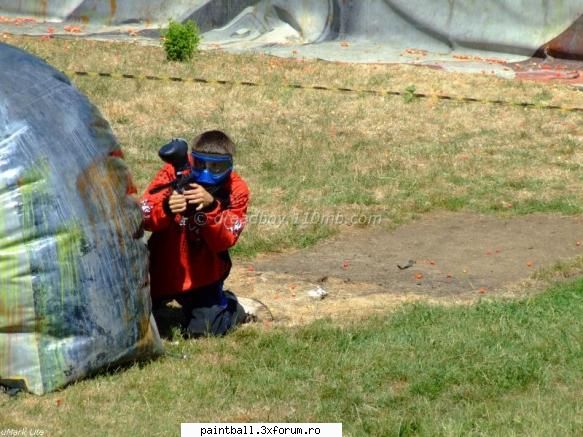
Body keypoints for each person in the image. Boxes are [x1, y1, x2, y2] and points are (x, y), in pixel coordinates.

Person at [141, 130, 250, 337]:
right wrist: (165, 206)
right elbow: (143, 214)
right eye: (200, 164)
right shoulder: (174, 172)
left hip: (203, 276)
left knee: (205, 330)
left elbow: (225, 239)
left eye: (217, 167)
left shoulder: (236, 189)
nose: (207, 173)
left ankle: (232, 307)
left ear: (229, 165)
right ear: (192, 159)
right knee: (130, 318)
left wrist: (211, 208)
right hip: (160, 269)